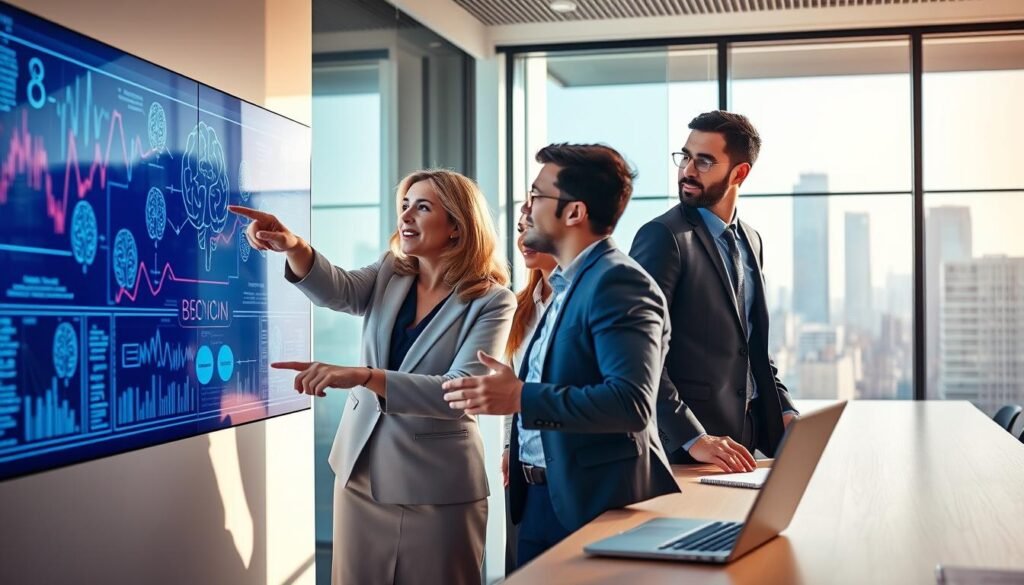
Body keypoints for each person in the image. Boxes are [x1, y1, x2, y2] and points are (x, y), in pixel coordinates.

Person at [228, 169, 515, 585]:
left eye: (423, 207)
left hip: (436, 488)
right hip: (360, 473)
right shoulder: (391, 272)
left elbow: (460, 392)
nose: (407, 216)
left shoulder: (491, 300)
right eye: (404, 205)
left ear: (456, 226)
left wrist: (364, 376)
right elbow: (339, 290)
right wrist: (294, 247)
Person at [442, 143, 679, 568]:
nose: (526, 209)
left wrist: (520, 398)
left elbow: (631, 403)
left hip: (589, 504)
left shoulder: (618, 283)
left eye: (536, 196)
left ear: (574, 213)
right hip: (539, 499)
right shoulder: (564, 288)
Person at [629, 110, 798, 472]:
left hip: (744, 445)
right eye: (686, 157)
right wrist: (692, 437)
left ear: (740, 173)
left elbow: (751, 347)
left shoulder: (751, 240)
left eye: (704, 161)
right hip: (685, 452)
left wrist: (785, 412)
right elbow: (636, 352)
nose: (688, 170)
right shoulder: (663, 238)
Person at [501, 210, 557, 574]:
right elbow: (509, 387)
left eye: (532, 228)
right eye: (520, 229)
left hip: (567, 475)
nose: (523, 239)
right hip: (526, 476)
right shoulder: (517, 307)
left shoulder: (580, 300)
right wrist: (509, 444)